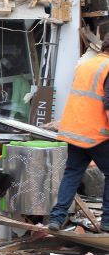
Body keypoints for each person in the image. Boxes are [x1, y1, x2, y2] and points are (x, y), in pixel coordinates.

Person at [49, 33, 109, 232]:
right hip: (96, 134)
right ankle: (107, 221)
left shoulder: (87, 65)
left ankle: (57, 218)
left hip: (75, 131)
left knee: (72, 174)